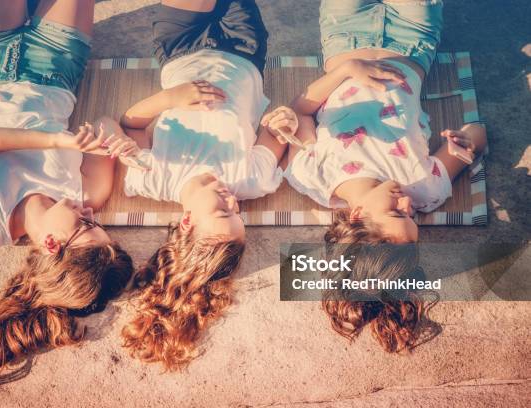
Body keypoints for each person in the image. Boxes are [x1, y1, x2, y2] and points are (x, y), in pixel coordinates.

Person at [0, 0, 135, 385]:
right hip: (57, 63)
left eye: (85, 226)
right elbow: (107, 123)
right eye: (96, 223)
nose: (89, 214)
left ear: (51, 244)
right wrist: (115, 145)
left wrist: (56, 142)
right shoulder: (89, 195)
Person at [283, 0, 486, 351]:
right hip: (413, 40)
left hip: (344, 38)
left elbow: (301, 108)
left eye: (397, 212)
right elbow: (478, 134)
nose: (409, 203)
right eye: (412, 216)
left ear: (358, 216)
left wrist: (348, 70)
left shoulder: (313, 176)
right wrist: (466, 142)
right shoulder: (427, 188)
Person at [117, 0, 296, 370]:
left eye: (221, 210)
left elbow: (130, 124)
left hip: (179, 49)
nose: (232, 200)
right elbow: (274, 132)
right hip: (244, 49)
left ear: (186, 222)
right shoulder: (252, 180)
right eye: (238, 212)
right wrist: (283, 123)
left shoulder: (153, 180)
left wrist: (172, 98)